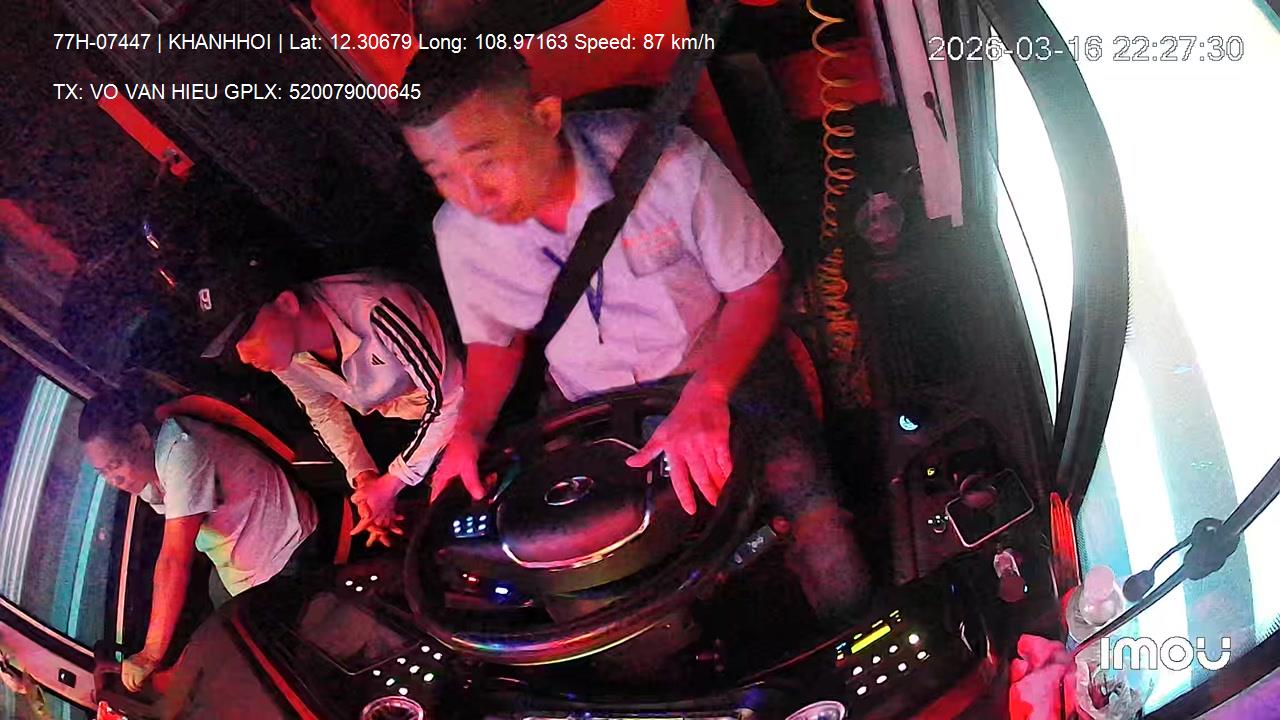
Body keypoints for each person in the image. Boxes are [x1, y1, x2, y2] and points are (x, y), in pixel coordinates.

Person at [397, 48, 869, 621]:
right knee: (586, 590)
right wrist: (469, 430)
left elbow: (759, 285)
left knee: (823, 536)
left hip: (717, 367)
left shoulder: (668, 163)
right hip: (591, 405)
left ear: (544, 118)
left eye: (486, 162)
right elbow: (497, 341)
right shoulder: (458, 232)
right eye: (442, 175)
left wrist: (707, 394)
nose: (473, 197)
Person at [80, 389, 317, 692]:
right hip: (243, 568)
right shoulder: (148, 472)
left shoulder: (182, 452)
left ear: (140, 438)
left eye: (115, 465)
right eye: (102, 472)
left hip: (287, 550)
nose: (114, 480)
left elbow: (174, 559)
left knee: (272, 676)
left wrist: (150, 654)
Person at [228, 272, 462, 546]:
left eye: (246, 335)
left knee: (450, 507)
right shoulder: (287, 359)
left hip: (467, 404)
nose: (244, 357)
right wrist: (366, 482)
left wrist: (393, 482)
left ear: (287, 303)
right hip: (399, 417)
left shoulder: (377, 310)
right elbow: (323, 411)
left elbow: (452, 398)